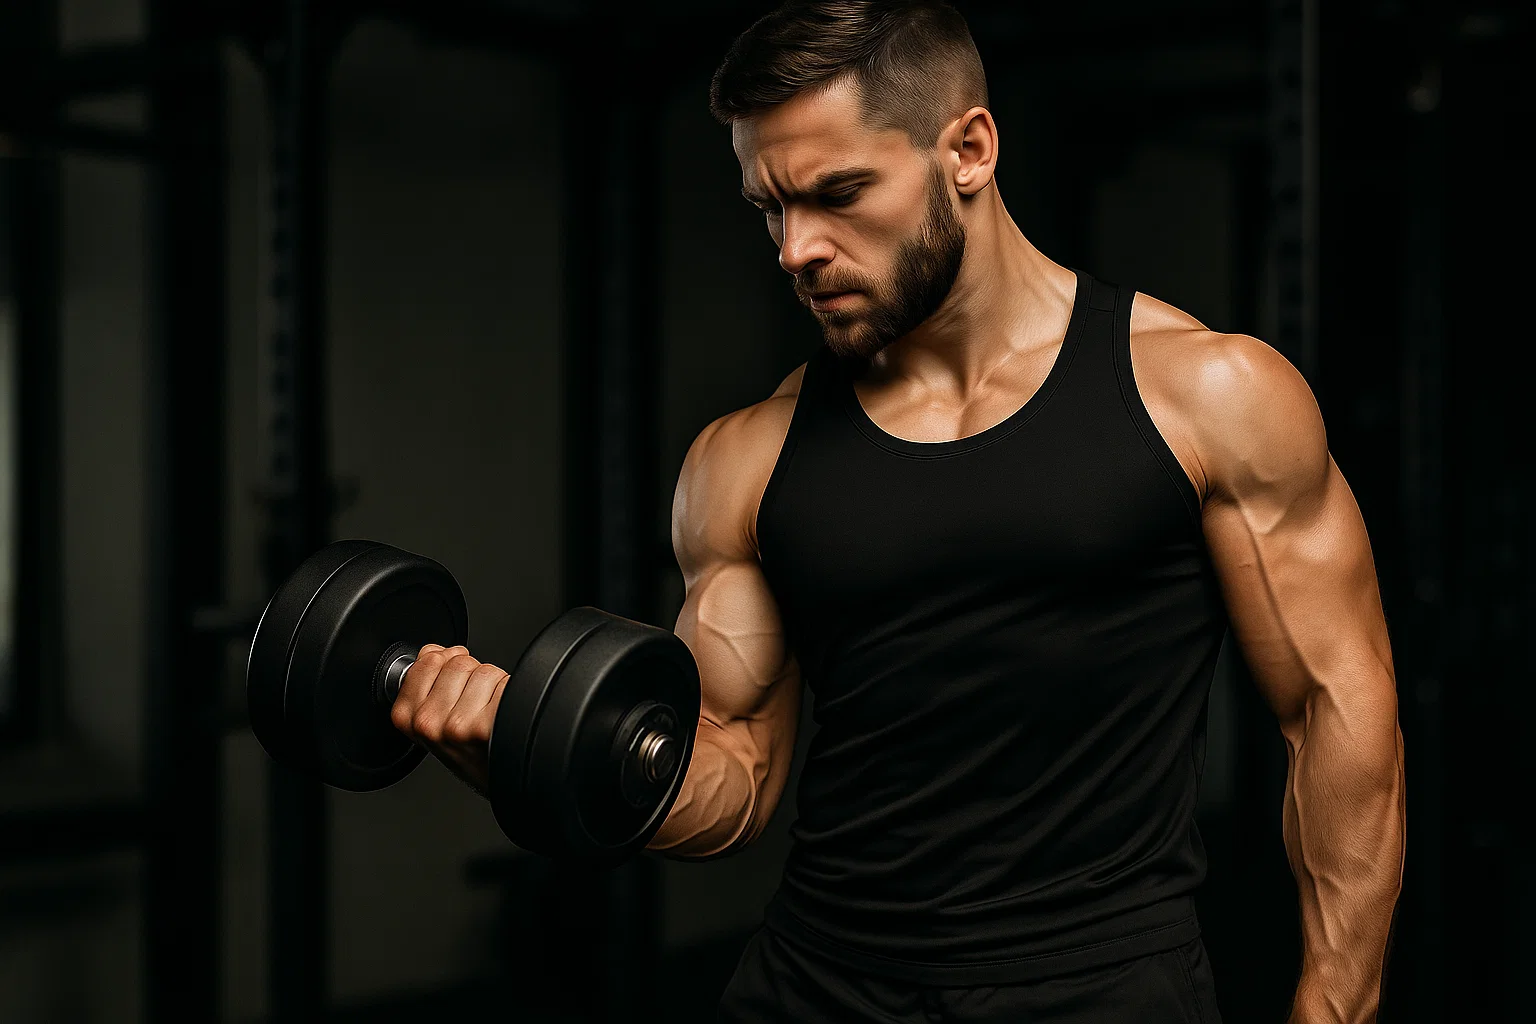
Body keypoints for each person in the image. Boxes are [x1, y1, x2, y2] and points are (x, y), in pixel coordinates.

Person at [391, 2, 1406, 1021]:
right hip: (813, 989)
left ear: (967, 149)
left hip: (1097, 993)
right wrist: (540, 751)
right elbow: (735, 775)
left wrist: (1335, 1003)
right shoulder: (747, 457)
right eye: (770, 207)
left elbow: (1332, 711)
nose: (796, 251)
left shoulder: (1207, 395)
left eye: (838, 194)